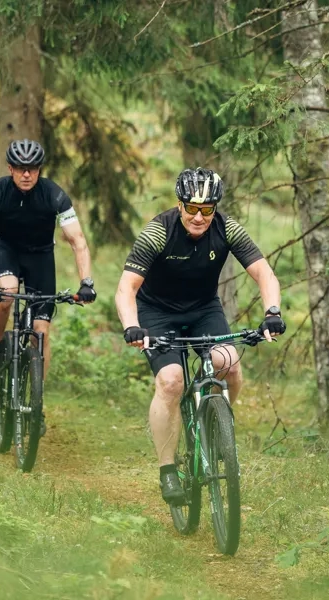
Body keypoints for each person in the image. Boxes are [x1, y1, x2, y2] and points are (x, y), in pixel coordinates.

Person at [114, 167, 285, 505]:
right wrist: (132, 326)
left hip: (203, 310)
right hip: (156, 312)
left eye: (207, 209)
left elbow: (264, 273)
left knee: (230, 365)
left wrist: (273, 313)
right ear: (180, 205)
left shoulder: (227, 228)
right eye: (191, 208)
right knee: (171, 382)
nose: (198, 216)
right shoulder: (158, 231)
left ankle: (215, 426)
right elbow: (126, 288)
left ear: (215, 208)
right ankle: (167, 470)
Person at [0, 139, 96, 430]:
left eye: (33, 169)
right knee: (7, 294)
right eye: (21, 169)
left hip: (40, 257)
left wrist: (86, 282)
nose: (27, 175)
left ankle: (36, 403)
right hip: (6, 250)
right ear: (10, 168)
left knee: (42, 331)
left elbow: (78, 240)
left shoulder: (55, 195)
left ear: (39, 170)